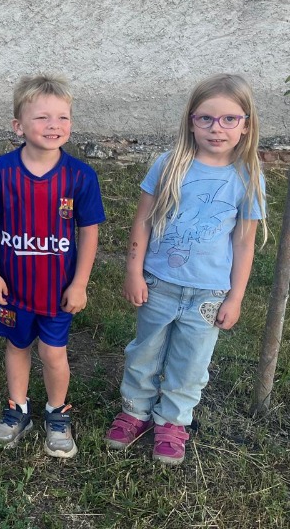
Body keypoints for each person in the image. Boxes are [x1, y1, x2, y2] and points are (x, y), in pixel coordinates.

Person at [105, 73, 266, 465]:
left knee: (191, 362)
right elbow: (142, 220)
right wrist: (133, 271)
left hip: (209, 294)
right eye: (206, 118)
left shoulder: (247, 177)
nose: (217, 128)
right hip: (159, 283)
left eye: (229, 119)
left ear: (246, 125)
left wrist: (236, 297)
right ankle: (135, 411)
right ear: (191, 121)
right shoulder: (169, 164)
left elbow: (244, 242)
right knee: (145, 351)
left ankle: (173, 421)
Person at [0, 75, 104, 459]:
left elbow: (89, 231)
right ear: (18, 126)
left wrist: (79, 283)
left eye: (62, 117)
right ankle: (17, 409)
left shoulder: (80, 176)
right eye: (42, 117)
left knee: (52, 352)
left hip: (57, 289)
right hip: (13, 287)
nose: (53, 125)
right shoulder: (0, 172)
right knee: (17, 346)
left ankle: (56, 413)